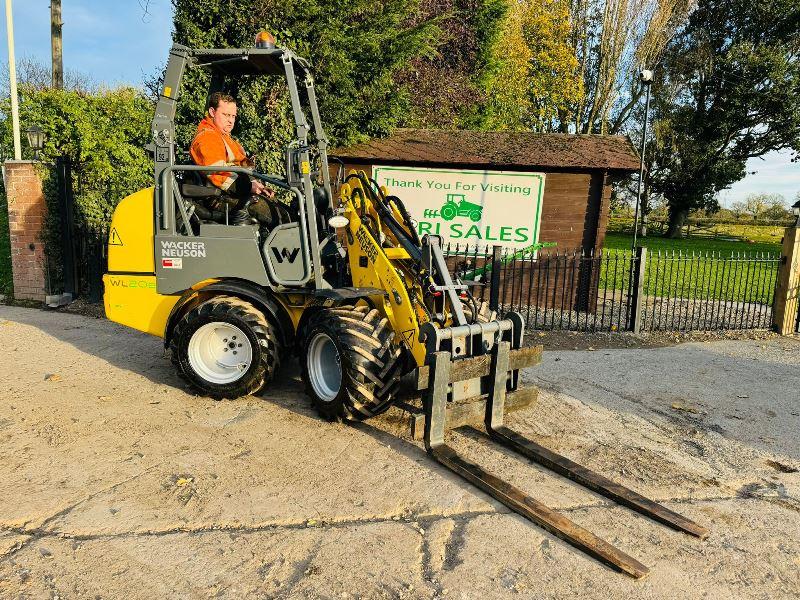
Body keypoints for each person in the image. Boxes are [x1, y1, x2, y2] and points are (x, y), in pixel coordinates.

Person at [190, 92, 286, 226]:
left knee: (280, 208)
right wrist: (249, 186)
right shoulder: (207, 139)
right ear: (212, 112)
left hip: (233, 193)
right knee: (280, 218)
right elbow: (219, 175)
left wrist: (257, 184)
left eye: (233, 116)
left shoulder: (226, 138)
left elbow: (244, 166)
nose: (231, 120)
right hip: (218, 198)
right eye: (226, 115)